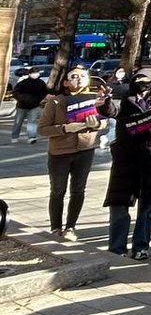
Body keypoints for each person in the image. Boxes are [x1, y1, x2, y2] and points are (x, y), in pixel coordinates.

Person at [39, 64, 114, 240]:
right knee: (58, 190)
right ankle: (55, 227)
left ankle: (71, 227)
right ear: (65, 82)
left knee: (78, 190)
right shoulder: (56, 101)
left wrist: (96, 124)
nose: (79, 79)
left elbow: (104, 122)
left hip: (85, 150)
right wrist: (65, 128)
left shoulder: (94, 99)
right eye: (74, 76)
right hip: (60, 152)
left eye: (82, 76)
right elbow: (43, 129)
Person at [104, 68, 151, 260]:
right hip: (126, 160)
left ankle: (141, 246)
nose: (142, 83)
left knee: (147, 207)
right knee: (119, 205)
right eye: (139, 79)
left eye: (146, 79)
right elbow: (110, 110)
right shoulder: (124, 100)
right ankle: (117, 248)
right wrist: (104, 101)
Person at [11, 68, 47, 143]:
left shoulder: (41, 83)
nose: (36, 74)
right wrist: (22, 99)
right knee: (18, 122)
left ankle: (32, 137)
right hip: (22, 106)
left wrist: (38, 100)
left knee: (32, 122)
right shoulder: (23, 83)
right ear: (30, 74)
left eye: (37, 73)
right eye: (34, 73)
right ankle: (14, 136)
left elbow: (44, 92)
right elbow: (15, 93)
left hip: (34, 106)